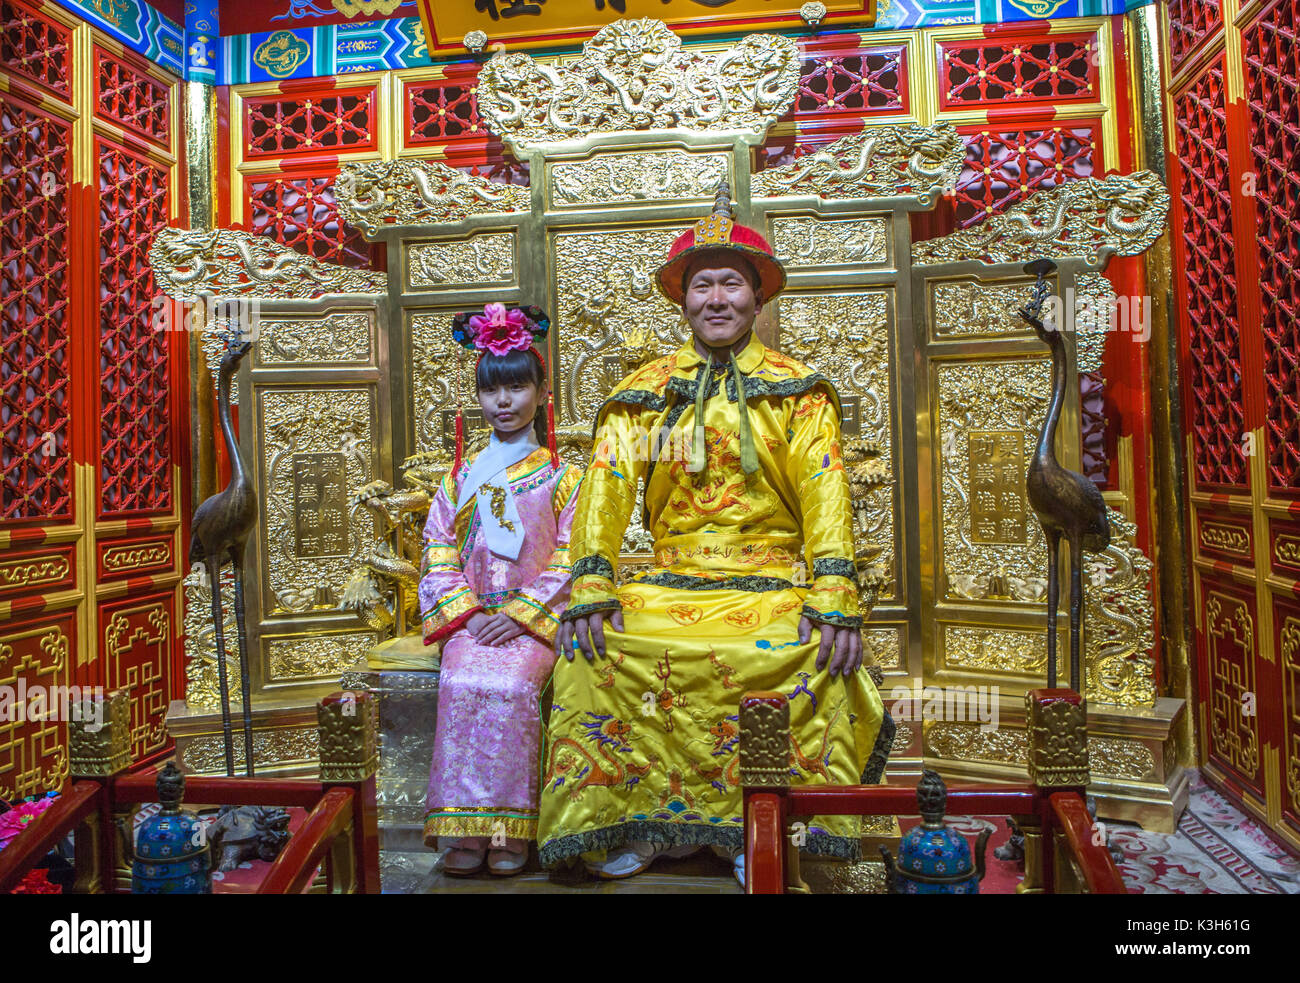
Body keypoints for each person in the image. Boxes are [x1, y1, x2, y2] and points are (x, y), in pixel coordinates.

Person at [538, 186, 890, 884]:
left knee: (818, 651)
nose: (718, 298)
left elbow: (826, 490)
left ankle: (761, 824)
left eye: (733, 282)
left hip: (768, 582)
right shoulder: (644, 392)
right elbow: (606, 487)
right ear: (683, 299)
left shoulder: (799, 390)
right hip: (670, 578)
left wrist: (835, 594)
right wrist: (592, 583)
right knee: (588, 651)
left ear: (759, 300)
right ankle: (636, 819)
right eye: (704, 284)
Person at [419, 303, 582, 877]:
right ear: (479, 400)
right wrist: (464, 615)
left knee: (514, 688)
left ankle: (509, 830)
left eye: (517, 387)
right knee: (460, 678)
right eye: (493, 391)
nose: (504, 402)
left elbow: (572, 555)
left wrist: (520, 612)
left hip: (531, 623)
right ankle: (464, 829)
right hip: (470, 622)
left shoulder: (565, 477)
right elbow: (437, 548)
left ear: (541, 391)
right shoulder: (461, 478)